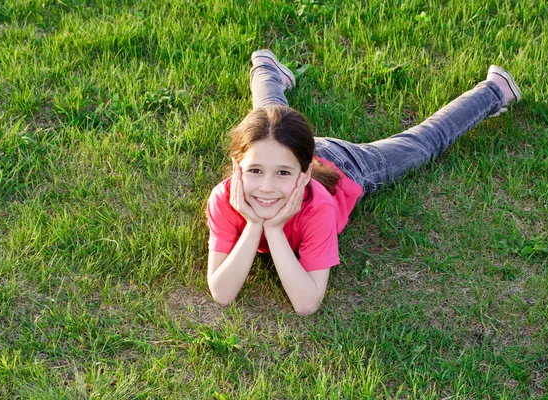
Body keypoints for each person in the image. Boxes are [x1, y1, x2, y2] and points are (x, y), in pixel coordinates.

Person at [206, 49, 521, 315]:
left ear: (303, 175)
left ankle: (494, 90)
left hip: (343, 165)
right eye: (255, 171)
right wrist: (253, 226)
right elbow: (221, 293)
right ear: (237, 167)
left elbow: (306, 303)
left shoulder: (318, 205)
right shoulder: (224, 198)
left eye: (283, 175)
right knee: (269, 118)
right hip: (283, 147)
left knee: (421, 144)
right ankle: (265, 65)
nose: (266, 188)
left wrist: (272, 228)